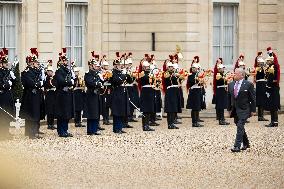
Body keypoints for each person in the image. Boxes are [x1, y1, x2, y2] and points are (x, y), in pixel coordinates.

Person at [227, 68, 256, 152]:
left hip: (245, 109)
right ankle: (246, 143)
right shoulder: (231, 84)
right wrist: (229, 109)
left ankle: (237, 146)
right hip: (235, 109)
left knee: (240, 125)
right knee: (240, 126)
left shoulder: (248, 84)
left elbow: (253, 98)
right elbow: (229, 98)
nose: (234, 74)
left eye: (236, 73)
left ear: (242, 75)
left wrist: (253, 110)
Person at [21, 48, 45, 139]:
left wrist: (41, 80)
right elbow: (30, 83)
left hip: (37, 94)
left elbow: (41, 80)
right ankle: (31, 133)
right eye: (36, 62)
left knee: (36, 113)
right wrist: (39, 84)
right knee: (31, 114)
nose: (37, 64)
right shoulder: (27, 72)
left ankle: (35, 131)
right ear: (31, 63)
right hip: (30, 95)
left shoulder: (37, 71)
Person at [54, 48, 74, 137]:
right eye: (65, 60)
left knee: (66, 113)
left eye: (66, 60)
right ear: (61, 61)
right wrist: (70, 82)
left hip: (67, 93)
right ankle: (61, 131)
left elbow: (69, 80)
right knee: (61, 113)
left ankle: (65, 130)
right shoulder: (59, 71)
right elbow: (61, 81)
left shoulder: (67, 70)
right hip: (61, 94)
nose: (66, 62)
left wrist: (72, 80)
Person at [110, 53, 131, 134]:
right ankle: (117, 128)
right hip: (117, 92)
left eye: (120, 64)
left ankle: (120, 127)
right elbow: (116, 81)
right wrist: (124, 76)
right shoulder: (113, 73)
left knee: (122, 111)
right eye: (118, 64)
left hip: (123, 92)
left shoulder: (121, 72)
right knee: (117, 111)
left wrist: (128, 75)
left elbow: (130, 80)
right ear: (115, 65)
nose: (120, 66)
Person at [83, 56, 103, 135]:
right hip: (91, 94)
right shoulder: (88, 74)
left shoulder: (96, 74)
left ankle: (94, 129)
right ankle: (90, 130)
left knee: (96, 113)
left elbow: (101, 81)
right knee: (91, 113)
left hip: (96, 94)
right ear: (90, 66)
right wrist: (97, 84)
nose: (95, 66)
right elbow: (90, 82)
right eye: (94, 65)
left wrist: (100, 81)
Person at [0, 48, 15, 140]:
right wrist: (7, 84)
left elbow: (15, 83)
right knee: (2, 114)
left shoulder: (9, 71)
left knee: (8, 112)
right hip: (1, 95)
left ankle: (7, 131)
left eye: (7, 63)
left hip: (8, 95)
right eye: (4, 63)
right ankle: (2, 133)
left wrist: (13, 80)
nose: (6, 64)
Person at [264, 47, 281, 127]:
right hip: (271, 88)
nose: (267, 62)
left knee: (273, 105)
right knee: (272, 105)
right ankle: (274, 121)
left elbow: (273, 77)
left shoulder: (273, 66)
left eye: (269, 61)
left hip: (273, 88)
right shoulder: (270, 67)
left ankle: (274, 122)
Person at [163, 60, 181, 129]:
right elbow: (167, 77)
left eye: (172, 67)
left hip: (175, 91)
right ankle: (169, 124)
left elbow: (179, 81)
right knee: (170, 108)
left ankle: (172, 122)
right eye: (170, 67)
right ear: (168, 67)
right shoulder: (166, 73)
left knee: (174, 107)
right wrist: (174, 75)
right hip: (170, 91)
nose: (171, 68)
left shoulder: (175, 74)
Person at [138, 59, 155, 131]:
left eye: (148, 66)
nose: (148, 68)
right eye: (147, 67)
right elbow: (143, 80)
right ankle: (145, 125)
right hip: (145, 91)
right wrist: (150, 77)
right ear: (144, 67)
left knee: (149, 109)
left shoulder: (150, 73)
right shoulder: (142, 73)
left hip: (150, 90)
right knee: (145, 109)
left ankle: (147, 124)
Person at [186, 63, 204, 127]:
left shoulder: (198, 75)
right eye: (193, 68)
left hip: (198, 91)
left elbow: (201, 83)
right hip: (193, 92)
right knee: (194, 107)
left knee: (197, 107)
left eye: (195, 68)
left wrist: (201, 81)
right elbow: (192, 82)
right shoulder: (191, 75)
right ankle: (194, 122)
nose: (194, 69)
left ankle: (196, 121)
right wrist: (197, 79)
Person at [253, 52, 268, 121]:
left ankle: (261, 115)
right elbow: (256, 73)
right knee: (261, 99)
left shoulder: (262, 68)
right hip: (260, 84)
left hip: (262, 84)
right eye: (261, 63)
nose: (262, 64)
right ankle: (260, 116)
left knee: (261, 100)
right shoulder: (258, 68)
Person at [44, 64, 57, 130]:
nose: (50, 72)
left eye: (51, 71)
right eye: (49, 71)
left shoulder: (53, 78)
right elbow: (48, 85)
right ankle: (49, 124)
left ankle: (52, 123)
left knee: (53, 110)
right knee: (49, 110)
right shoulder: (46, 78)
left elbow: (56, 84)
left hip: (53, 94)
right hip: (49, 95)